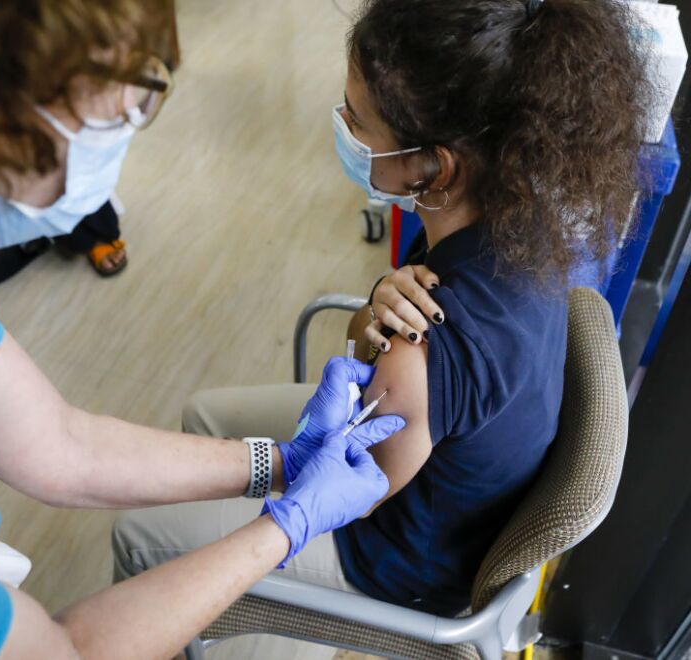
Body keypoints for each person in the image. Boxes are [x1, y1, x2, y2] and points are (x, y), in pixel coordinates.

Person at [0, 2, 416, 658]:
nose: (135, 119)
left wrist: (284, 462)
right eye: (126, 104)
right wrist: (286, 528)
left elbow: (62, 446)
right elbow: (66, 653)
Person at [112, 0, 650, 657]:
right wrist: (376, 306)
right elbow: (373, 348)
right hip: (444, 490)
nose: (341, 128)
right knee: (204, 413)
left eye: (357, 119)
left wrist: (269, 500)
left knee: (137, 537)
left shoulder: (425, 346)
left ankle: (243, 628)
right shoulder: (522, 227)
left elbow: (352, 497)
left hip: (393, 564)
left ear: (435, 165)